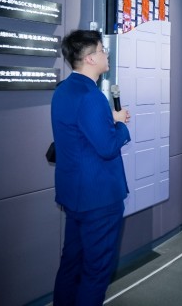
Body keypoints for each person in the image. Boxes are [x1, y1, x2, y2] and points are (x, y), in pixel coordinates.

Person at [52, 30, 132, 306]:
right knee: (95, 272)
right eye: (101, 50)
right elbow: (108, 147)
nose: (106, 54)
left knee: (71, 264)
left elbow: (80, 132)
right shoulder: (92, 96)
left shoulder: (63, 91)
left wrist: (109, 118)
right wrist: (120, 125)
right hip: (99, 199)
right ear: (89, 58)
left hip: (73, 196)